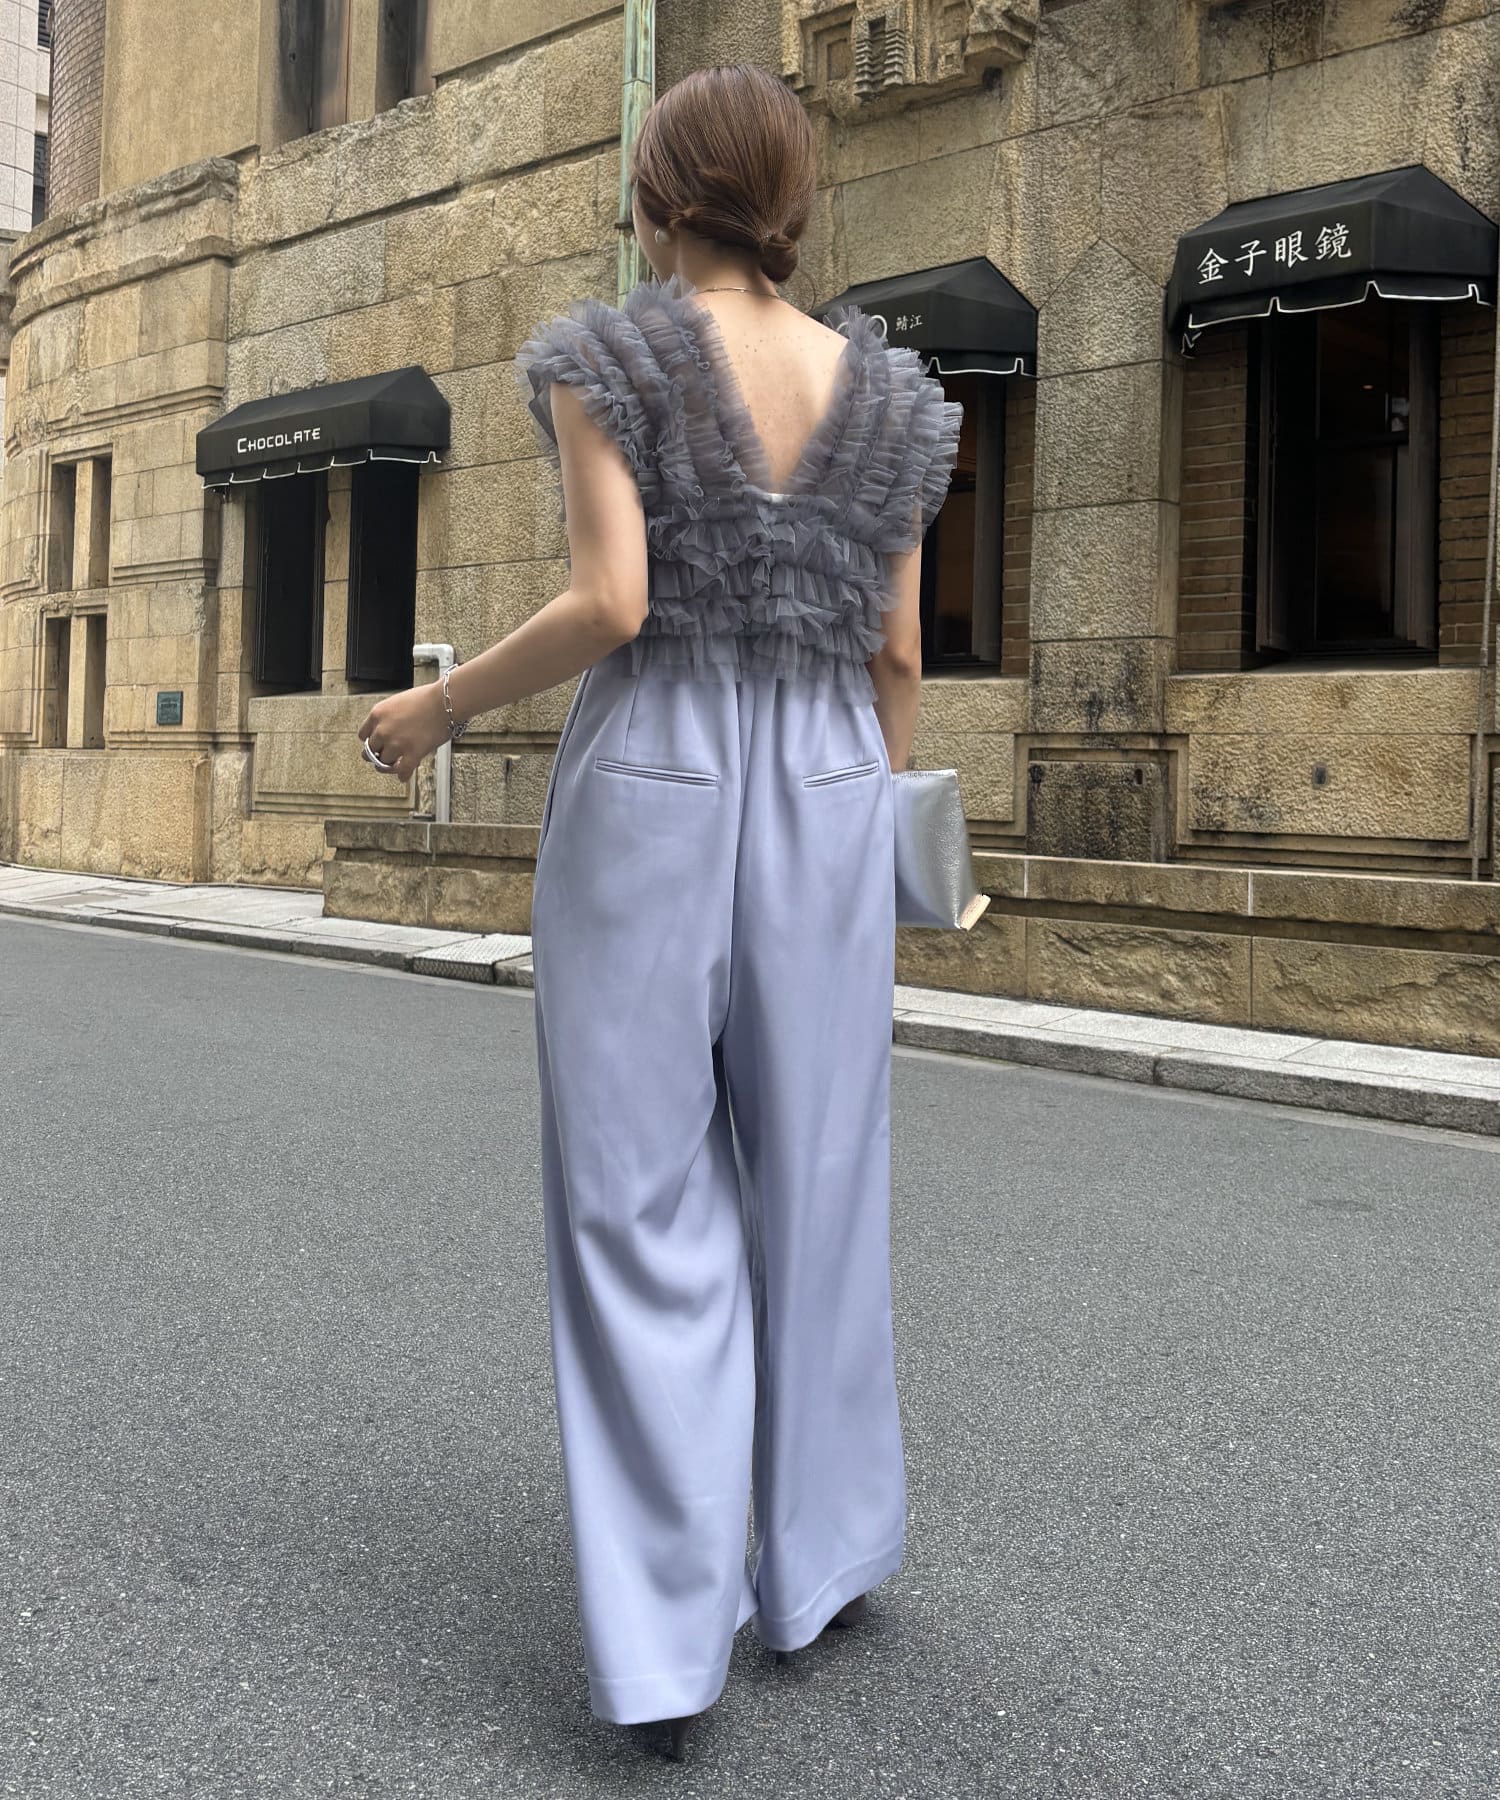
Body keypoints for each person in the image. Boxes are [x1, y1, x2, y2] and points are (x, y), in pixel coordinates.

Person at [356, 61, 960, 1762]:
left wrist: (440, 706)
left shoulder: (609, 361)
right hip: (830, 781)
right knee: (821, 1177)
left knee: (637, 1200)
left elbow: (613, 600)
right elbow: (900, 654)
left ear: (654, 193)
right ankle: (818, 1564)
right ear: (790, 198)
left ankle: (667, 1645)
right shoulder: (889, 395)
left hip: (658, 780)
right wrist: (857, 812)